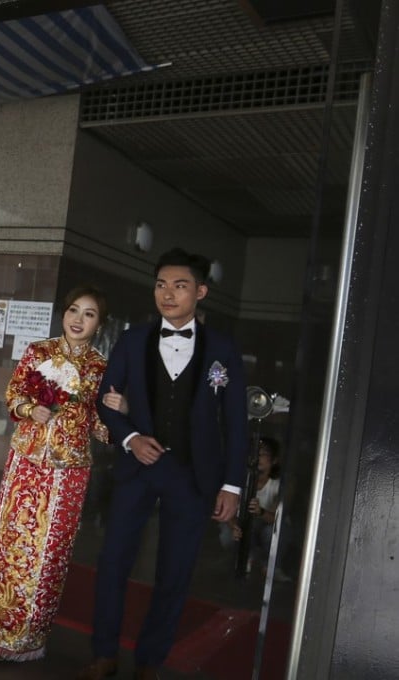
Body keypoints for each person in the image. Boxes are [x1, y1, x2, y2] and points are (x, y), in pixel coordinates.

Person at [77, 248, 248, 680]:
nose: (167, 294)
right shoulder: (133, 339)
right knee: (114, 560)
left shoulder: (223, 349)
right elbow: (105, 401)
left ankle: (150, 661)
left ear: (201, 292)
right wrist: (132, 438)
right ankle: (104, 654)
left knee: (174, 572)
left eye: (180, 285)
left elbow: (235, 420)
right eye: (160, 285)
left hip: (191, 476)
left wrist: (232, 485)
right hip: (137, 471)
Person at [0, 285, 124, 661]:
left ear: (99, 324)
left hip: (68, 471)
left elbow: (100, 427)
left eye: (89, 314)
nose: (78, 319)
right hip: (26, 461)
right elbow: (14, 394)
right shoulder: (39, 352)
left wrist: (121, 411)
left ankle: (28, 639)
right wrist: (28, 410)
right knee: (9, 543)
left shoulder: (100, 369)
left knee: (48, 552)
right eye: (74, 310)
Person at [226, 436, 292, 581]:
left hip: (269, 528)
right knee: (227, 535)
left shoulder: (280, 485)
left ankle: (272, 566)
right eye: (255, 453)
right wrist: (233, 526)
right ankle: (247, 559)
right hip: (251, 527)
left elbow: (277, 518)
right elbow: (229, 511)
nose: (258, 457)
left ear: (274, 460)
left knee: (271, 533)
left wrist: (260, 511)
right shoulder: (241, 481)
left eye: (264, 454)